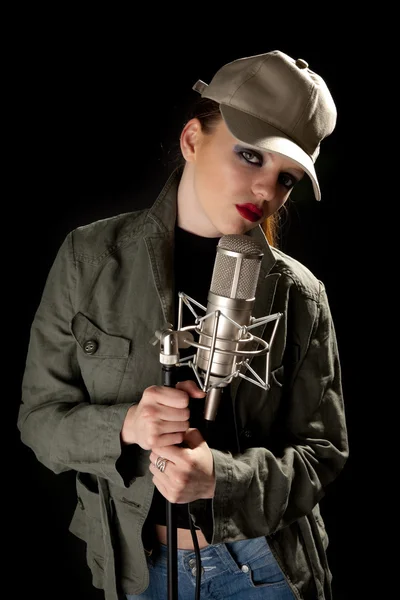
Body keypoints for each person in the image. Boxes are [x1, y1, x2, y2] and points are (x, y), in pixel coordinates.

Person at [18, 50, 349, 600]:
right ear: (192, 139)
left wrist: (221, 478)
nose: (267, 191)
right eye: (250, 156)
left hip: (263, 569)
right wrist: (128, 426)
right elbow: (39, 420)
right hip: (139, 570)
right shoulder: (90, 259)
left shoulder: (300, 295)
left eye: (286, 178)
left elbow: (323, 454)